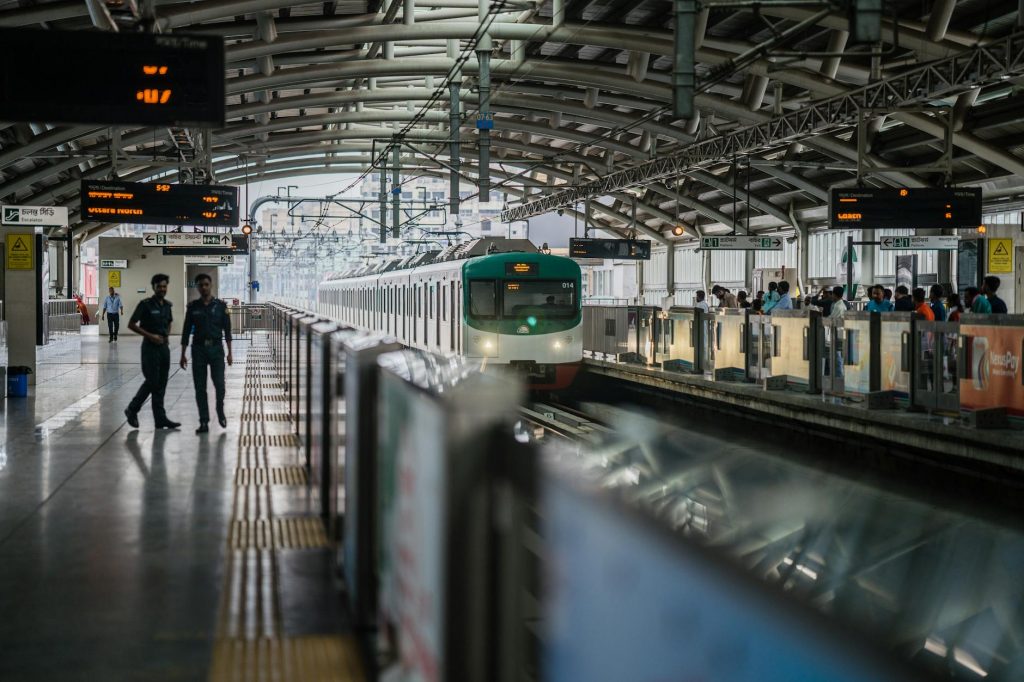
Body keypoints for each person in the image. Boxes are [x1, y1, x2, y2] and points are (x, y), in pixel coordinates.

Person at [125, 274, 180, 430]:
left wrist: (166, 336)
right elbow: (131, 324)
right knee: (152, 381)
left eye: (164, 286)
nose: (162, 289)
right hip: (150, 348)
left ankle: (160, 419)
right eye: (159, 286)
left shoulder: (167, 305)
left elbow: (169, 322)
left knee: (161, 383)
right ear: (153, 287)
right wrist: (150, 336)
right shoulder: (145, 305)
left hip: (163, 348)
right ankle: (132, 409)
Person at [180, 273, 233, 434]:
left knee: (220, 384)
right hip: (199, 350)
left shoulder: (222, 306)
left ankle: (220, 409)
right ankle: (204, 421)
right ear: (197, 287)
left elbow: (228, 331)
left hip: (217, 349)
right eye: (200, 285)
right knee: (200, 387)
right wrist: (182, 354)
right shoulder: (193, 307)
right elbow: (185, 331)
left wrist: (230, 353)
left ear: (210, 285)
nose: (203, 287)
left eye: (206, 284)